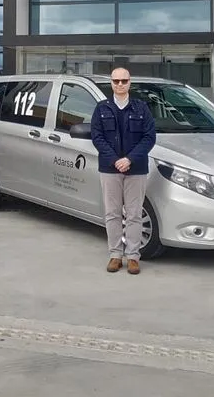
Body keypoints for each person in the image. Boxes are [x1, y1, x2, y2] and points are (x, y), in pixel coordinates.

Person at [90, 67, 156, 274]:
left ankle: (133, 256)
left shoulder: (141, 108)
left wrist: (129, 159)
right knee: (112, 214)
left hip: (136, 169)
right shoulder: (101, 109)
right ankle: (115, 255)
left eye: (124, 81)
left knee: (135, 214)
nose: (120, 84)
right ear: (111, 83)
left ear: (130, 82)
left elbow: (149, 137)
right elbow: (97, 137)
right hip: (109, 169)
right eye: (116, 81)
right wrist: (115, 160)